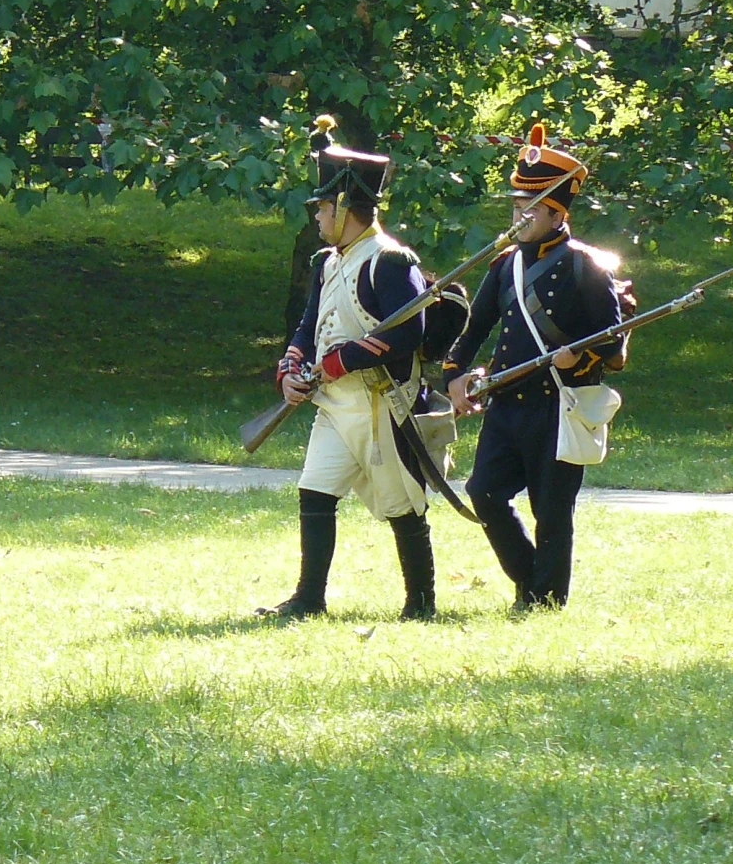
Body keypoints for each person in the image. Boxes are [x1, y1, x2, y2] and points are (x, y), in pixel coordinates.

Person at [442, 124, 629, 611]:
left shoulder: (588, 265)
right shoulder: (505, 264)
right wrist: (455, 374)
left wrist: (580, 357)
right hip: (507, 406)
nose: (518, 216)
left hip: (558, 407)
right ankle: (533, 585)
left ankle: (544, 600)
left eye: (529, 208)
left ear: (556, 212)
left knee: (552, 513)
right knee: (484, 494)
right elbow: (474, 328)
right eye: (515, 206)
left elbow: (614, 348)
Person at [262, 117, 437, 621]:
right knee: (314, 490)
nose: (317, 216)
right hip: (334, 402)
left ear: (342, 207)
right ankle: (308, 598)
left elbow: (409, 334)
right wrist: (292, 367)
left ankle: (420, 603)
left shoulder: (390, 261)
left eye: (321, 207)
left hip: (381, 401)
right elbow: (308, 324)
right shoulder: (327, 261)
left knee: (403, 504)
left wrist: (341, 360)